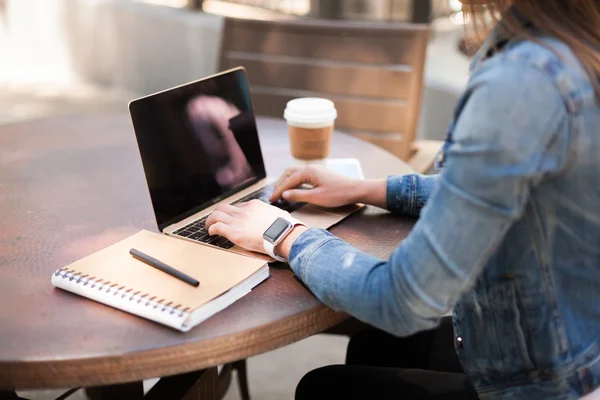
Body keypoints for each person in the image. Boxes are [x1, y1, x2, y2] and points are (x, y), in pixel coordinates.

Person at [205, 0, 600, 398]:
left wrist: (283, 234)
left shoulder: (522, 83)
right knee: (373, 347)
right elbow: (509, 188)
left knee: (322, 388)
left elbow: (402, 300)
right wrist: (368, 189)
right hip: (574, 346)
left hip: (547, 385)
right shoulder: (575, 41)